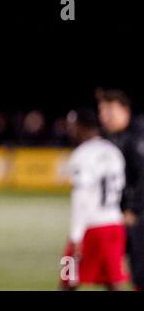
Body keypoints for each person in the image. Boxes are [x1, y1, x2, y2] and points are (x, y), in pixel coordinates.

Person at [61, 108, 129, 291]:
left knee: (67, 279)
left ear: (82, 127)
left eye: (72, 127)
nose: (70, 131)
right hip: (114, 225)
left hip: (93, 227)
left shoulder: (82, 155)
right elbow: (122, 188)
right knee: (113, 282)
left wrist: (75, 236)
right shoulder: (113, 150)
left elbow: (81, 196)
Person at [96, 88, 144, 291]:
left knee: (140, 270)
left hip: (137, 215)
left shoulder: (136, 138)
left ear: (125, 110)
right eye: (101, 111)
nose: (104, 117)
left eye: (110, 111)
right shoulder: (112, 138)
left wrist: (133, 209)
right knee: (110, 266)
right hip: (119, 215)